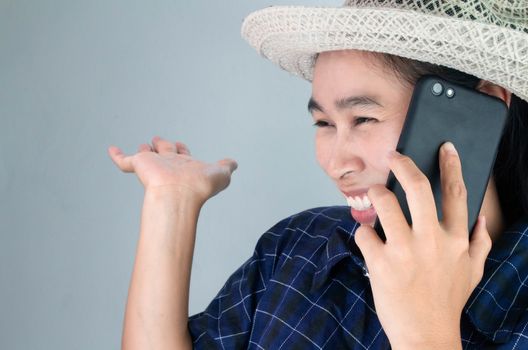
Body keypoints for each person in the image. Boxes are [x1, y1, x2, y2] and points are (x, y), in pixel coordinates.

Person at [109, 1, 528, 349]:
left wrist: (427, 332)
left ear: (482, 105)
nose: (334, 164)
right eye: (324, 123)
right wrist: (171, 201)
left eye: (363, 118)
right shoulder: (298, 249)